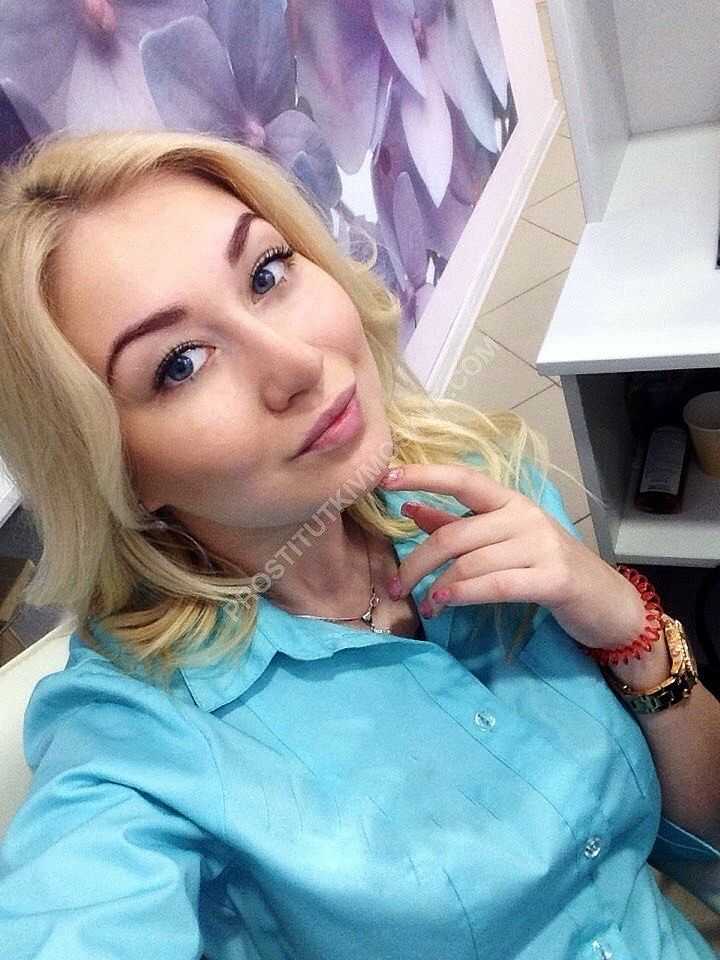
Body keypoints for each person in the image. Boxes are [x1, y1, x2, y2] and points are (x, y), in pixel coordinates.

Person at [0, 129, 719, 960]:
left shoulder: (479, 486)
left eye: (266, 274)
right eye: (181, 363)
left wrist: (628, 628)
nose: (298, 365)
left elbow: (702, 835)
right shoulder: (140, 738)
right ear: (114, 471)